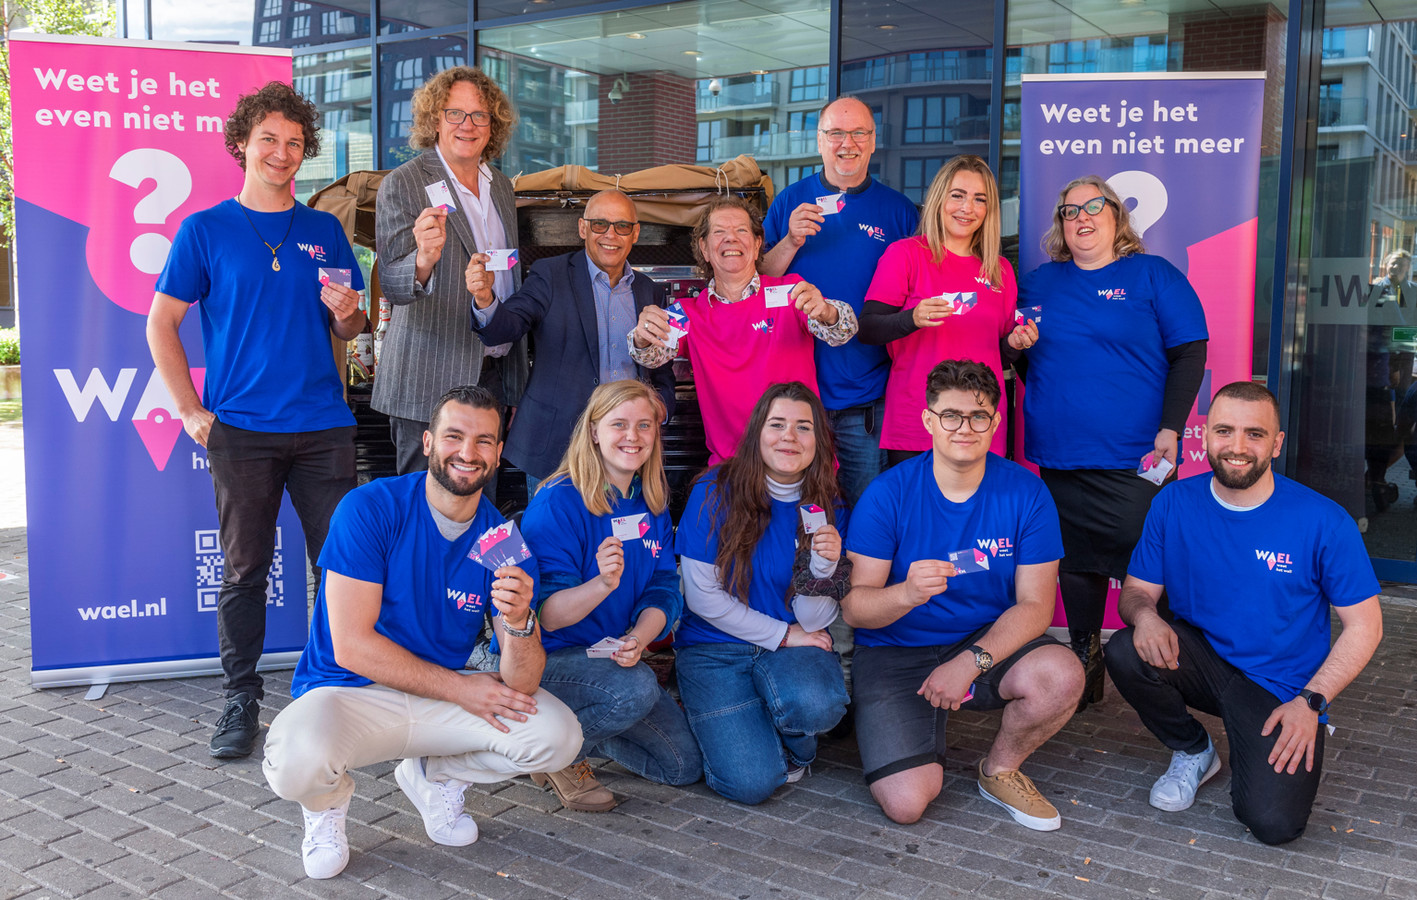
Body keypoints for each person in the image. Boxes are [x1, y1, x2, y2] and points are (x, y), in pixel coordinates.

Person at [262, 385, 581, 879]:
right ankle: (324, 808)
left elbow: (522, 683)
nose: (467, 453)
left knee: (556, 736)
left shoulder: (504, 543)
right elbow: (351, 645)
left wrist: (520, 624)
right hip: (350, 692)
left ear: (498, 454)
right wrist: (462, 689)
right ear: (429, 442)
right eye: (455, 436)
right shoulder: (370, 508)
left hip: (440, 697)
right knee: (295, 763)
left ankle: (436, 775)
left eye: (483, 441)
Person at [146, 82, 365, 760]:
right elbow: (162, 322)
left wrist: (347, 311)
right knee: (245, 569)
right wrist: (189, 409)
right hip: (242, 430)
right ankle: (241, 699)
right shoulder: (205, 229)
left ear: (305, 154)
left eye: (294, 142)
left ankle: (334, 692)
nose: (281, 151)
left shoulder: (325, 229)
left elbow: (354, 324)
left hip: (323, 423)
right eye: (268, 138)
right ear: (242, 142)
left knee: (339, 567)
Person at [1105, 381, 1383, 845]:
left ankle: (1255, 745)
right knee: (1125, 649)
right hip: (1202, 662)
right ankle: (1194, 750)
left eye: (1254, 434)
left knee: (1274, 823)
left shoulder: (1323, 521)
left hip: (1280, 688)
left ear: (1277, 443)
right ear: (1205, 436)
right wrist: (1146, 616)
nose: (1237, 447)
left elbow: (1365, 626)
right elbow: (1135, 592)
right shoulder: (1173, 503)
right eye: (1224, 431)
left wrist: (1311, 702)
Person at [843, 360, 1082, 829]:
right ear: (929, 420)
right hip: (896, 649)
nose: (964, 428)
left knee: (1061, 674)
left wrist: (969, 662)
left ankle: (1000, 768)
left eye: (978, 416)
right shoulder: (886, 493)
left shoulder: (1027, 494)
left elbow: (1037, 607)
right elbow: (855, 607)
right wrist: (906, 593)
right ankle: (911, 728)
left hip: (981, 640)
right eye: (950, 415)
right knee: (907, 803)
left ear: (995, 422)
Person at [1018, 174, 1208, 708]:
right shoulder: (1038, 283)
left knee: (1145, 564)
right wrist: (1015, 348)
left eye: (1092, 207)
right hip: (1059, 452)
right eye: (1069, 211)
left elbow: (1190, 351)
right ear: (1060, 225)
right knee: (1075, 561)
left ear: (1115, 217)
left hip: (1137, 456)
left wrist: (1171, 425)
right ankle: (1086, 659)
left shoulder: (1151, 275)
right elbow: (1021, 355)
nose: (1081, 218)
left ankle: (1167, 670)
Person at [518, 380, 702, 811]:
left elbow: (663, 587)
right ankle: (559, 752)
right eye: (619, 424)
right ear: (595, 431)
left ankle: (572, 728)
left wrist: (639, 637)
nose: (632, 437)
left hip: (608, 660)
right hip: (547, 660)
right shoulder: (557, 501)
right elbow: (545, 615)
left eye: (644, 425)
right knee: (634, 690)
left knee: (682, 766)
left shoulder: (650, 500)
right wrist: (602, 584)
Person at [673, 382, 851, 804]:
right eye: (778, 424)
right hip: (715, 649)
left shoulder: (829, 505)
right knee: (750, 784)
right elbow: (702, 599)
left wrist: (824, 566)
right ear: (757, 433)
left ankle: (783, 733)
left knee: (819, 704)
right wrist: (785, 636)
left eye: (803, 427)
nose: (789, 436)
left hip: (790, 646)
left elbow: (812, 620)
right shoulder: (715, 489)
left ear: (819, 441)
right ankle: (753, 724)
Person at [761, 96, 919, 505]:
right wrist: (791, 240)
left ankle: (859, 573)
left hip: (864, 397)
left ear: (872, 141)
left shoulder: (899, 211)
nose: (846, 143)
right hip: (794, 395)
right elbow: (758, 283)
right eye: (835, 133)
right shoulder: (788, 201)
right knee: (794, 512)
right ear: (820, 141)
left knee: (865, 510)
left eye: (858, 133)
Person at [374, 65, 527, 485]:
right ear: (434, 120)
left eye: (479, 115)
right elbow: (392, 283)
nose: (467, 124)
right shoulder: (403, 184)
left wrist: (514, 382)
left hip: (491, 375)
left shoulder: (499, 186)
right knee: (424, 512)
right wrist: (423, 258)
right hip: (428, 379)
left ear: (492, 124)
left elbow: (508, 275)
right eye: (454, 113)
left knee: (480, 508)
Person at [469, 190, 675, 492]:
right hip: (557, 445)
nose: (611, 235)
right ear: (582, 228)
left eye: (622, 226)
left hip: (626, 448)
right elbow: (505, 328)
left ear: (635, 233)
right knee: (553, 537)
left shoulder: (649, 290)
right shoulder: (550, 274)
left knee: (616, 537)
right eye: (599, 224)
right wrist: (485, 298)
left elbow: (660, 371)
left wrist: (660, 408)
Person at [629, 197, 857, 464]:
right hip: (732, 469)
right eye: (719, 232)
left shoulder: (788, 292)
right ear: (704, 248)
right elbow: (649, 356)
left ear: (757, 242)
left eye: (741, 230)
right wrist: (642, 337)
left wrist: (828, 312)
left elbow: (843, 331)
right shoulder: (688, 312)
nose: (731, 239)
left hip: (801, 464)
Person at [860, 156, 1034, 465]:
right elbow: (868, 328)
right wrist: (911, 318)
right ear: (940, 199)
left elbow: (999, 354)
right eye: (958, 195)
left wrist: (1015, 344)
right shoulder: (905, 255)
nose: (967, 207)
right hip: (919, 421)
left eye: (979, 199)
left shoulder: (1000, 271)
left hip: (981, 424)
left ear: (988, 210)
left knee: (979, 514)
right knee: (919, 513)